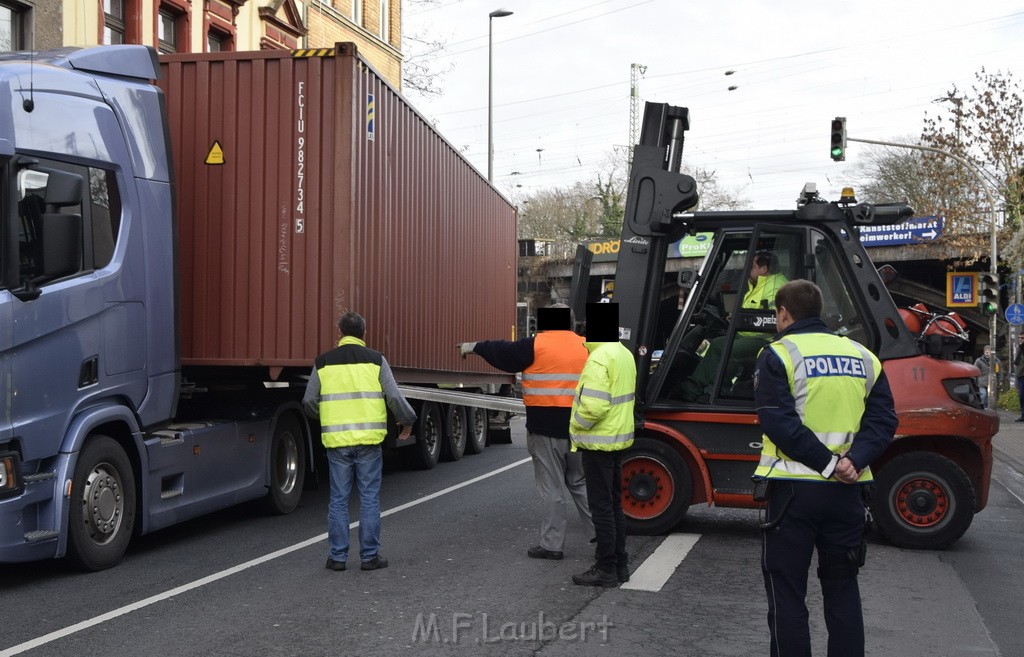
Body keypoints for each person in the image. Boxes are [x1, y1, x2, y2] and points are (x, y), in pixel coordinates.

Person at [753, 280, 897, 657]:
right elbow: (883, 421)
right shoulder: (863, 356)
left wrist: (829, 464)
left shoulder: (778, 354)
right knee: (842, 587)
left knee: (787, 592)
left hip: (794, 493)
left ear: (784, 313)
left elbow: (779, 424)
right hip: (848, 494)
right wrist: (853, 461)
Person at [456, 305, 594, 560]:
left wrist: (473, 346)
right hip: (581, 429)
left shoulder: (535, 346)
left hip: (545, 429)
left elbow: (500, 351)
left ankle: (552, 545)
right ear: (572, 323)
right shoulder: (588, 346)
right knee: (580, 482)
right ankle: (602, 538)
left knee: (552, 487)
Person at [303, 311, 416, 572]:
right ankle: (369, 557)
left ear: (339, 333)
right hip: (368, 442)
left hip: (337, 442)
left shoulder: (323, 363)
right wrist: (408, 420)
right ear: (364, 334)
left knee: (339, 499)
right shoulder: (376, 360)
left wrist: (327, 416)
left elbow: (309, 401)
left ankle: (337, 558)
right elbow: (394, 397)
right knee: (368, 498)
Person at [569, 302, 637, 588]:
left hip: (598, 444)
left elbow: (593, 408)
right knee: (614, 505)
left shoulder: (598, 359)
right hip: (619, 441)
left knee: (602, 509)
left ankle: (606, 568)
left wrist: (575, 427)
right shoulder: (624, 354)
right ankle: (620, 565)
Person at [681, 251, 788, 401]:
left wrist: (741, 320)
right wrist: (737, 317)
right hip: (750, 334)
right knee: (720, 342)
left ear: (763, 269)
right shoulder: (759, 285)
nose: (748, 270)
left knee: (721, 347)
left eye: (752, 266)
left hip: (766, 339)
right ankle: (713, 391)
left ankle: (695, 391)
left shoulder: (775, 289)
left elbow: (771, 319)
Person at [973, 345, 1002, 409]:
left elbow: (999, 372)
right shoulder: (979, 361)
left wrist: (1000, 381)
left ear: (991, 351)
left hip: (992, 382)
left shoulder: (997, 361)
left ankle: (987, 410)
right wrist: (974, 381)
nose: (986, 351)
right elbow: (974, 371)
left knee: (990, 398)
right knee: (983, 395)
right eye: (985, 350)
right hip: (982, 382)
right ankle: (982, 409)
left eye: (988, 350)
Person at [1014, 334, 1024, 422]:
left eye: (1022, 338)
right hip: (1020, 374)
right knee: (1021, 396)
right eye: (1019, 337)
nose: (1020, 339)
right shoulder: (1020, 348)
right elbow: (1017, 362)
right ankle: (1023, 415)